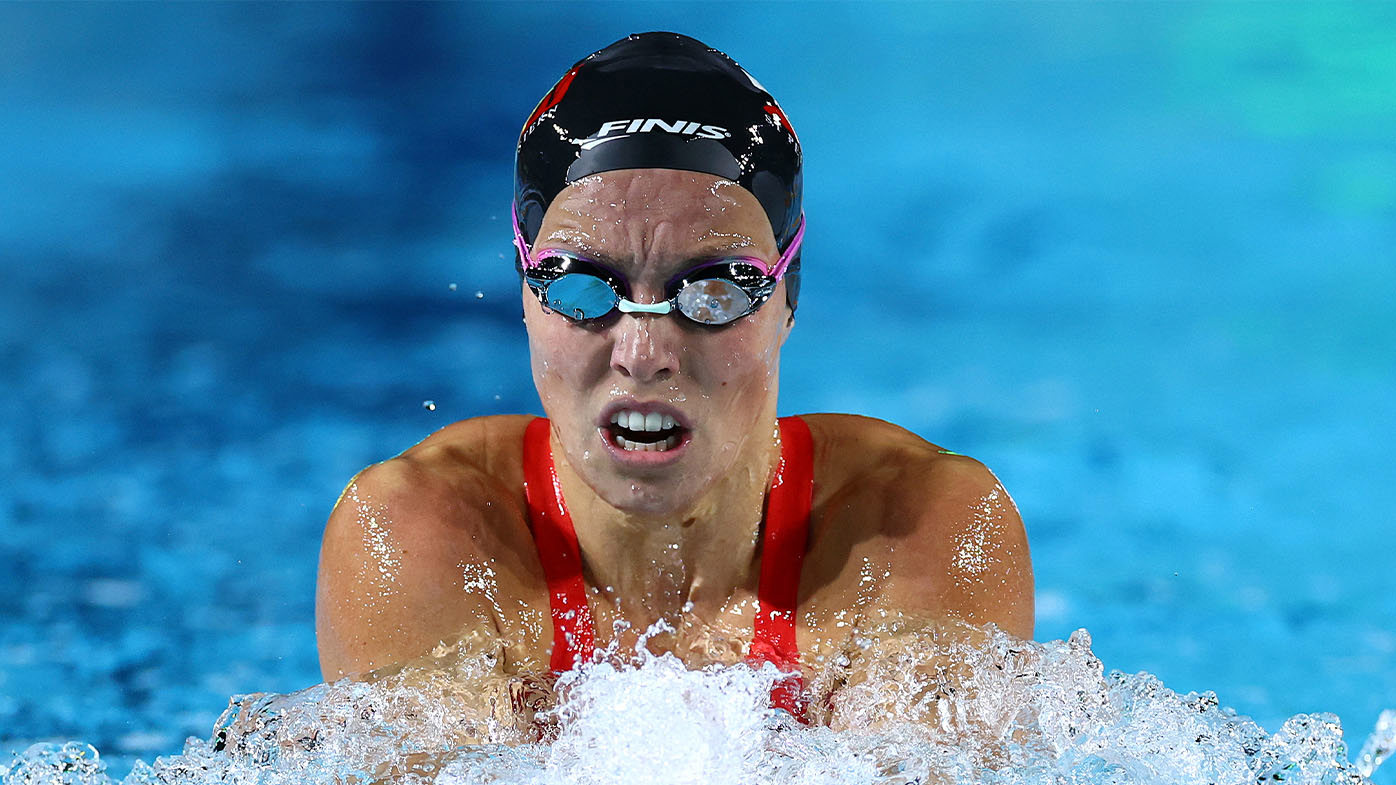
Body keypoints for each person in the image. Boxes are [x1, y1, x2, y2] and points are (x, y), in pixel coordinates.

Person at [315, 32, 1032, 720]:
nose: (643, 348)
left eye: (714, 287)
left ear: (790, 295)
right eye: (582, 283)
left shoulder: (920, 530)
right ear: (524, 291)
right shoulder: (419, 536)